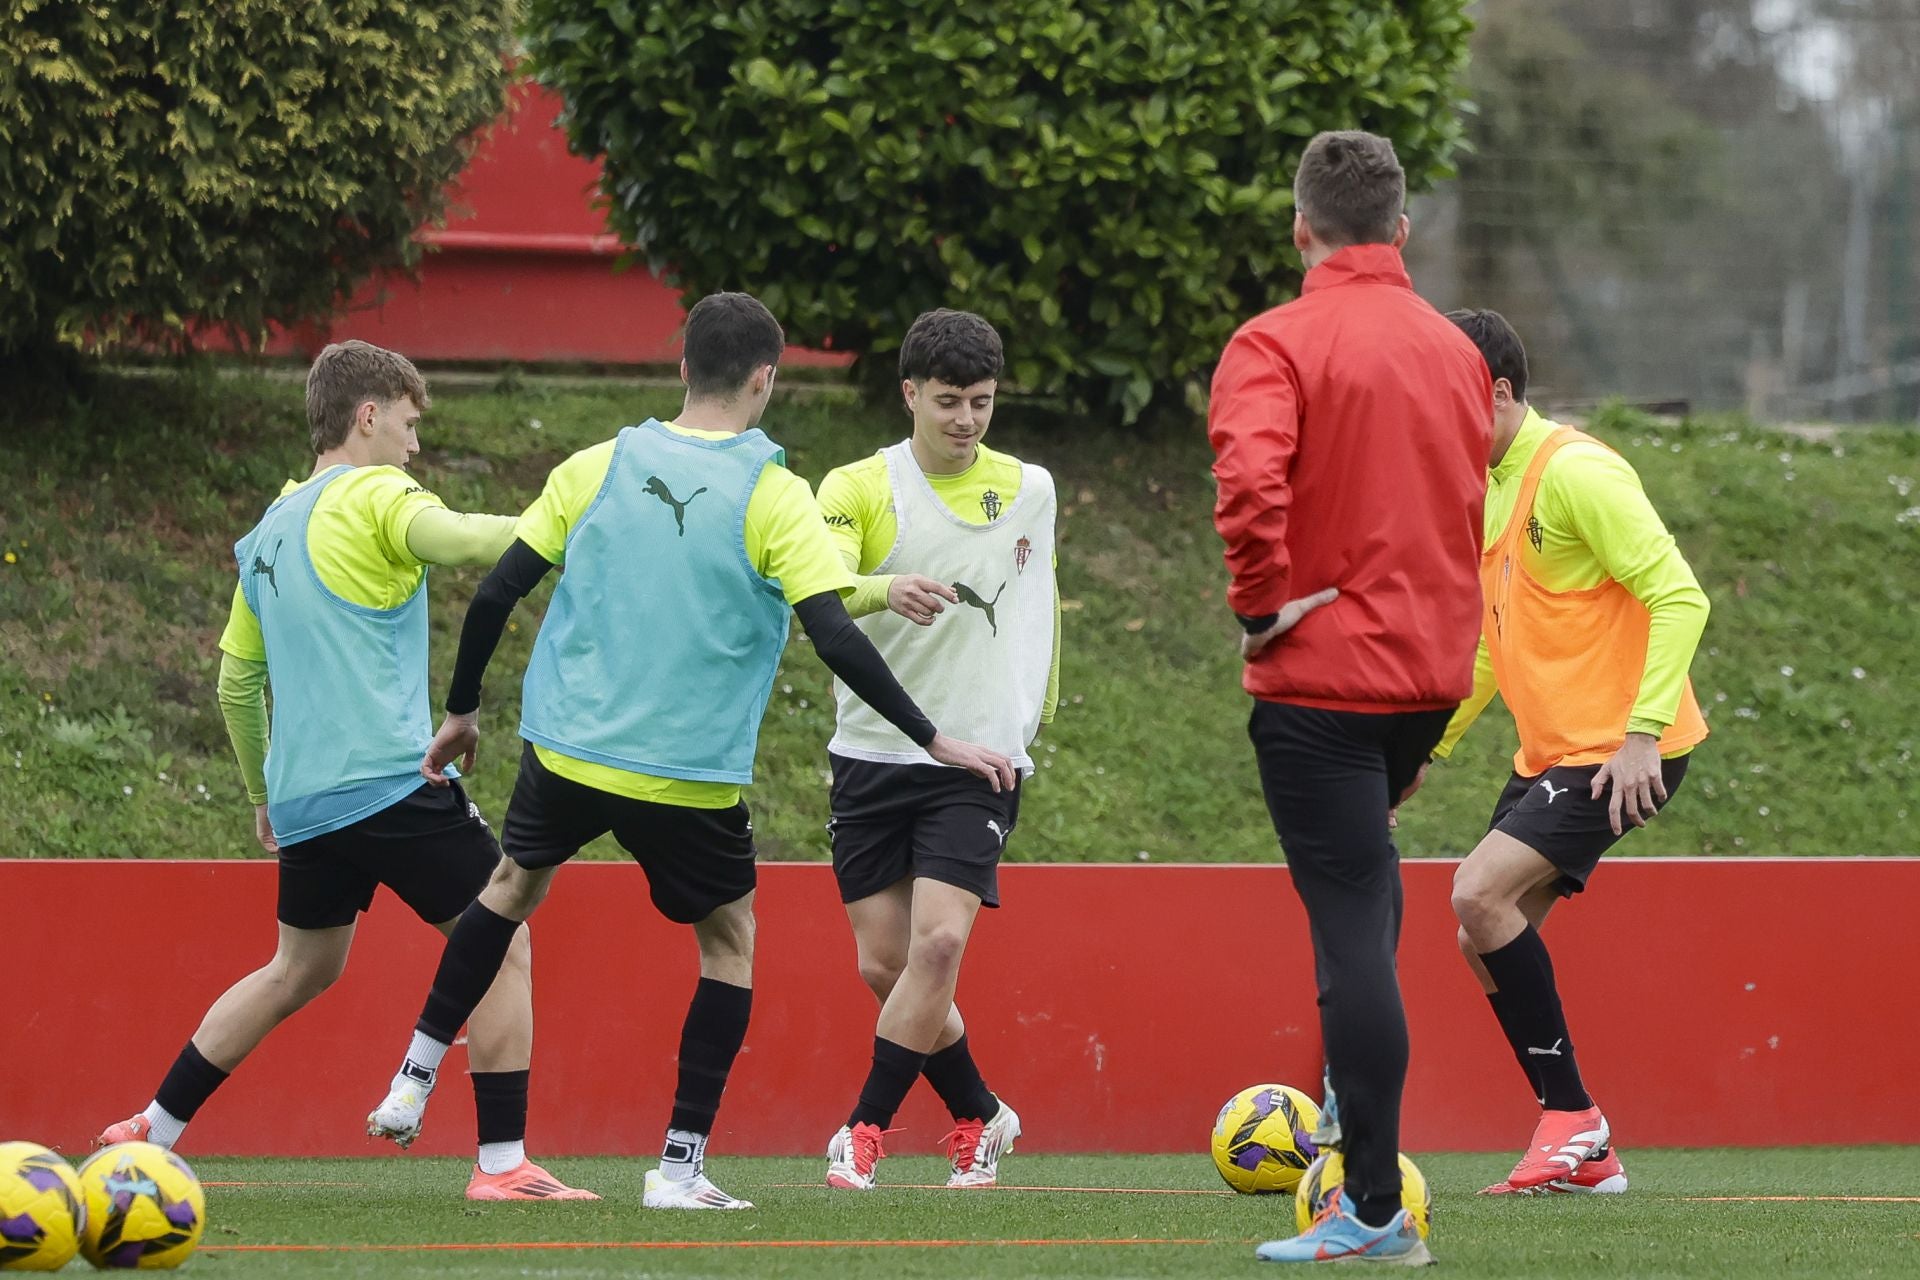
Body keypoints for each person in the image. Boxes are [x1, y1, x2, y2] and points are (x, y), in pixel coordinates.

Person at [366, 292, 1014, 1211]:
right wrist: (934, 737)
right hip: (686, 775)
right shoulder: (773, 494)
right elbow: (831, 634)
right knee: (728, 946)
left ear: (681, 370)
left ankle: (414, 1075)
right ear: (765, 380)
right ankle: (677, 1169)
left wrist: (463, 710)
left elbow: (492, 596)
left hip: (570, 750)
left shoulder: (597, 463)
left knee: (507, 892)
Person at [95, 340, 594, 1202]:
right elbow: (472, 538)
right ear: (368, 416)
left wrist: (263, 794)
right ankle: (503, 1166)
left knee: (300, 968)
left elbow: (235, 680)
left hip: (306, 799)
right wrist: (578, 523)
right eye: (406, 425)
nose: (413, 448)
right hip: (391, 782)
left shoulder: (268, 531)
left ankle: (153, 1127)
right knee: (505, 939)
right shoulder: (376, 494)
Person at [1207, 130, 1492, 1265]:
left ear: (1300, 227)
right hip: (1429, 677)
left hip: (1326, 675)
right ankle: (1358, 1170)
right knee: (1366, 892)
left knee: (1349, 938)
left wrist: (1260, 601)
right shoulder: (1456, 348)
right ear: (1403, 230)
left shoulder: (1274, 339)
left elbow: (1247, 478)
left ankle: (1371, 1206)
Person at [1407, 309, 1709, 1196]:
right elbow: (1491, 645)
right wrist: (1429, 745)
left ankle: (1573, 1119)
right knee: (1478, 934)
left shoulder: (1577, 472)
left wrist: (1643, 736)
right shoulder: (1488, 482)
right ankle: (1588, 1143)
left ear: (1498, 392)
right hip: (1554, 755)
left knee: (1476, 889)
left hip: (1622, 750)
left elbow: (1680, 596)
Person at [813, 309, 1060, 1190]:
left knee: (940, 946)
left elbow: (1039, 613)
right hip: (872, 754)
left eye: (982, 403)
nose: (965, 419)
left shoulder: (1031, 488)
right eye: (949, 401)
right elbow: (823, 586)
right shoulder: (855, 486)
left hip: (977, 761)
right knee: (886, 966)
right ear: (910, 393)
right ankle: (980, 1114)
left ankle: (863, 1131)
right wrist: (886, 588)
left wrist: (1023, 722)